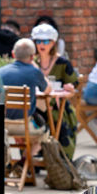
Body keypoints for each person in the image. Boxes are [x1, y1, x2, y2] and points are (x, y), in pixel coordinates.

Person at [31, 23, 78, 159]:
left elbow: (73, 85)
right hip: (37, 107)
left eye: (45, 41)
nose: (41, 44)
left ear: (53, 42)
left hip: (58, 107)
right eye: (38, 41)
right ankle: (32, 161)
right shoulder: (32, 62)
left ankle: (61, 160)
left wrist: (69, 88)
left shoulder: (62, 63)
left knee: (60, 121)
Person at [0, 38, 50, 120]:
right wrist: (36, 67)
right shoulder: (34, 72)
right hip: (24, 126)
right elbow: (47, 90)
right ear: (32, 57)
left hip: (2, 125)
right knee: (46, 129)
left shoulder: (0, 71)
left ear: (13, 54)